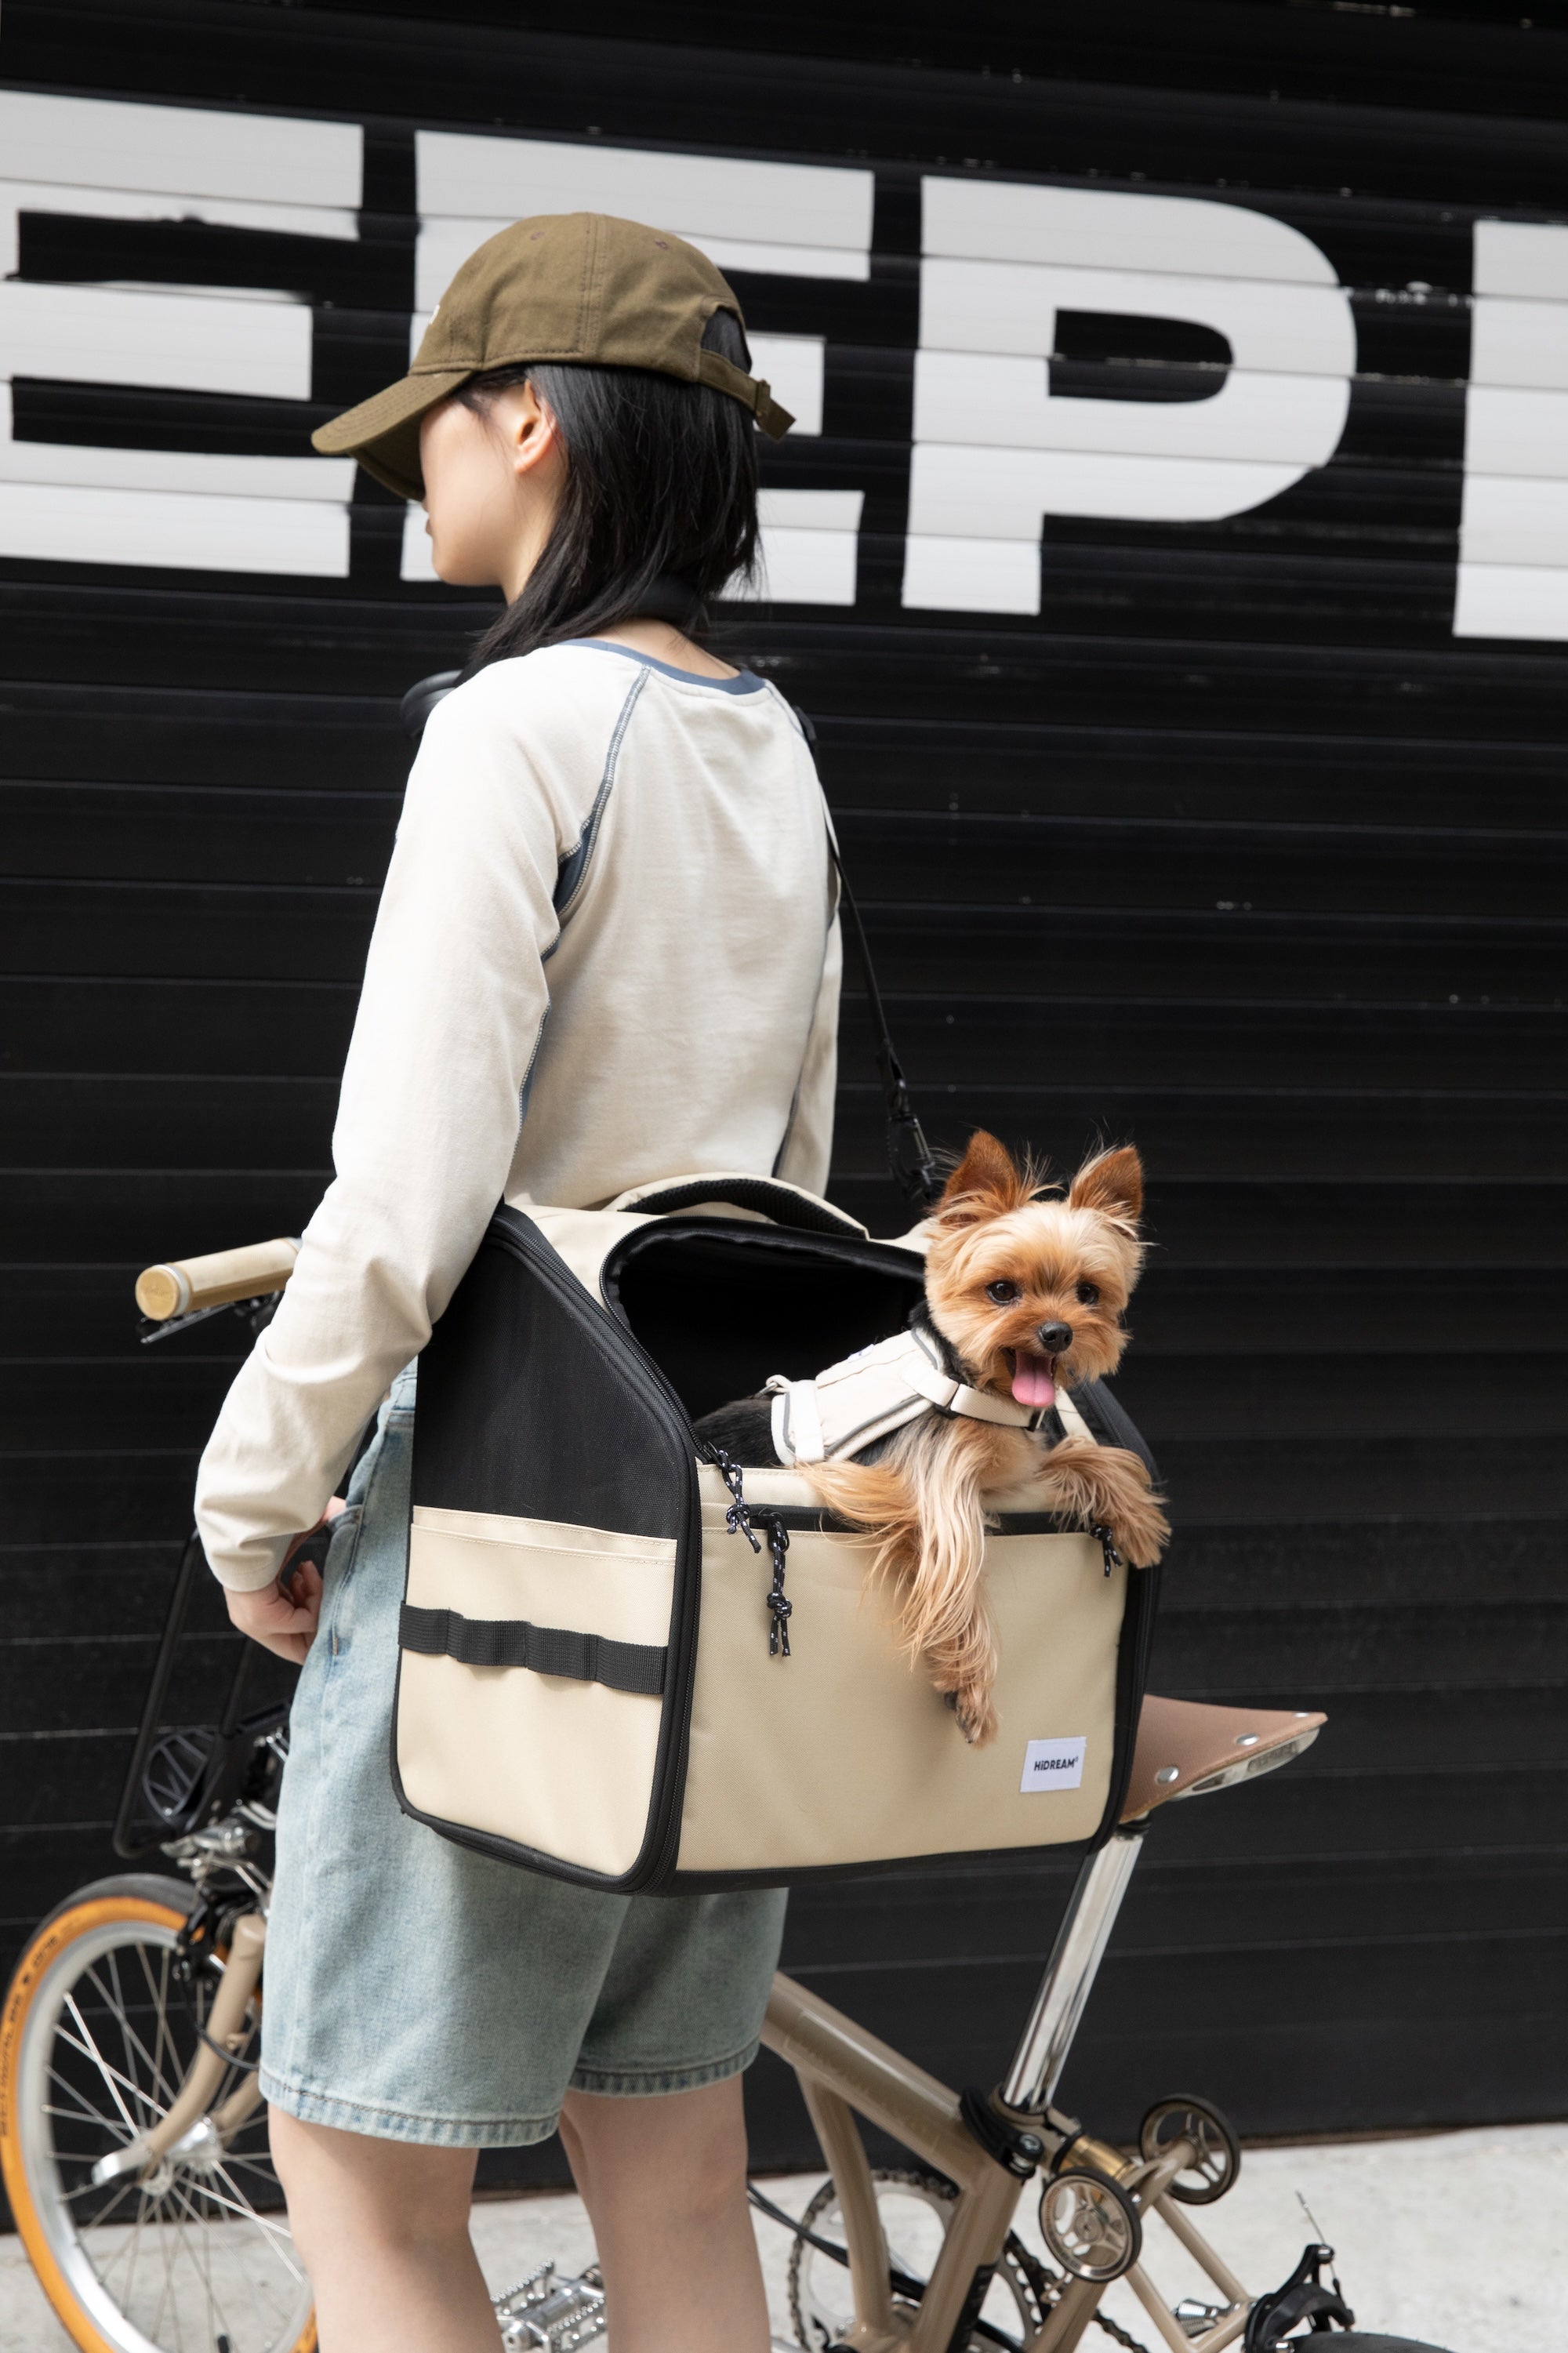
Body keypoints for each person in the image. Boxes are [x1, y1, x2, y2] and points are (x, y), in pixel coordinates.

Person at [193, 212, 839, 2353]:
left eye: (432, 436)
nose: (419, 481)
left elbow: (408, 1200)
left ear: (532, 424)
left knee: (365, 2188)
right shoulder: (771, 743)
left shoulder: (513, 726)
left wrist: (255, 1498)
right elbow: (783, 1201)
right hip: (706, 1537)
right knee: (674, 2161)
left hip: (494, 1536)